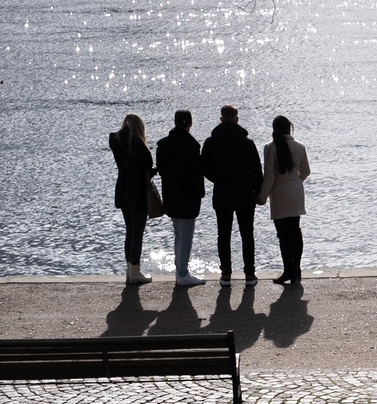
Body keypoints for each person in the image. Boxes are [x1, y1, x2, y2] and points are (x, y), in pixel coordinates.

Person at [201, 105, 263, 284]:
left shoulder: (211, 142)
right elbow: (257, 171)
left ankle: (226, 274)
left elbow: (204, 167)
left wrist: (218, 179)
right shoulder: (247, 142)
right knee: (247, 234)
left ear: (221, 119)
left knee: (223, 234)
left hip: (222, 192)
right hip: (244, 192)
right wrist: (258, 192)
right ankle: (249, 274)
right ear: (237, 119)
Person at [258, 115, 312, 285]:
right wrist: (296, 181)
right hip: (296, 191)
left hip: (279, 193)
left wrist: (262, 197)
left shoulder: (270, 148)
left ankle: (287, 269)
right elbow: (306, 171)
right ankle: (297, 268)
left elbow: (269, 176)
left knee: (283, 234)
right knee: (295, 231)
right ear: (290, 128)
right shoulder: (300, 146)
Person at [156, 109, 206, 287]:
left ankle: (180, 270)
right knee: (186, 235)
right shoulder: (192, 147)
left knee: (178, 232)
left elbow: (161, 170)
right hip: (188, 196)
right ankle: (182, 273)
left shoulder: (163, 145)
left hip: (171, 194)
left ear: (175, 122)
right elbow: (196, 173)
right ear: (190, 124)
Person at [108, 113, 155, 284]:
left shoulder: (117, 143)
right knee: (138, 233)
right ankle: (135, 271)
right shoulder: (138, 145)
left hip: (122, 190)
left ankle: (129, 270)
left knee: (129, 231)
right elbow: (144, 170)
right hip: (137, 192)